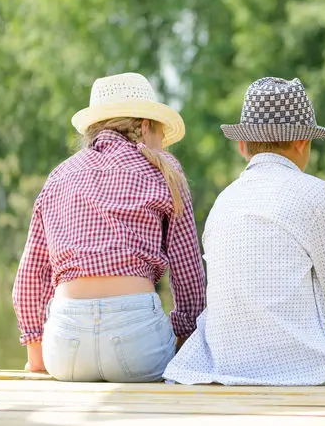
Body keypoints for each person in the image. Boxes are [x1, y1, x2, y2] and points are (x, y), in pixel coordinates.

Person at [163, 77, 325, 386]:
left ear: (243, 146)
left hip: (225, 362)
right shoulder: (318, 196)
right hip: (303, 366)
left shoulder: (223, 202)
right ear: (302, 142)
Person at [12, 72, 207, 382]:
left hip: (66, 349)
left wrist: (36, 355)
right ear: (145, 127)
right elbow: (187, 272)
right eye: (160, 137)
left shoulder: (60, 176)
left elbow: (31, 275)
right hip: (137, 343)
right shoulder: (163, 169)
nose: (163, 147)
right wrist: (184, 341)